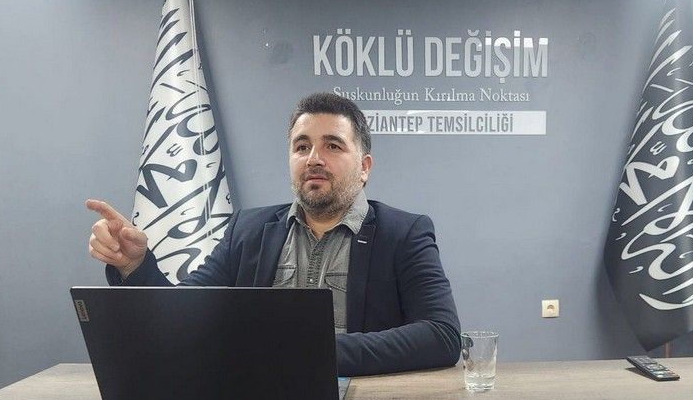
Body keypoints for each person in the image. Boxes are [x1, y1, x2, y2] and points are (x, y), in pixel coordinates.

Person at [86, 92, 461, 377]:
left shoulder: (404, 234)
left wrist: (317, 352)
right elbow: (181, 315)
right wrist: (135, 265)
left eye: (332, 145)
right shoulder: (248, 231)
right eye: (302, 146)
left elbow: (441, 335)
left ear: (364, 167)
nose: (314, 158)